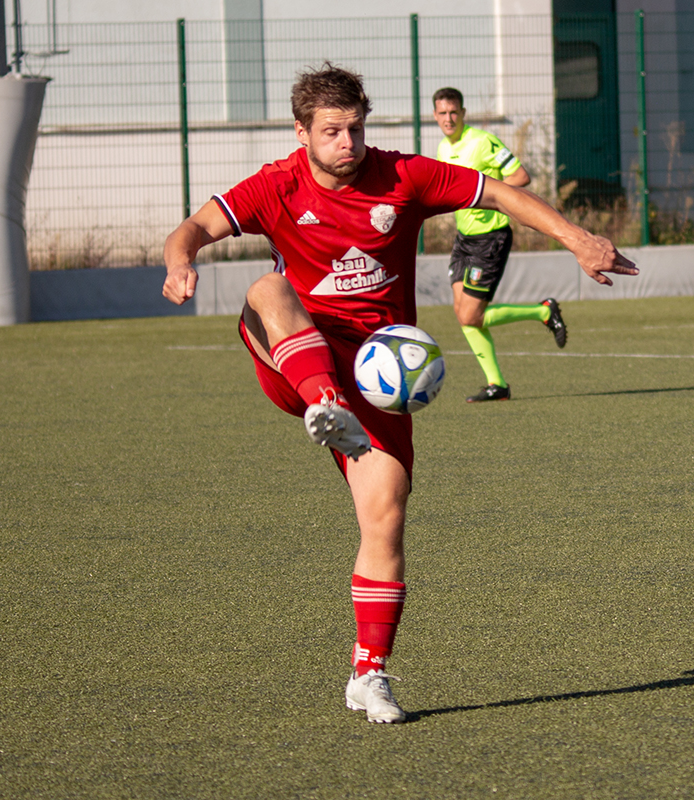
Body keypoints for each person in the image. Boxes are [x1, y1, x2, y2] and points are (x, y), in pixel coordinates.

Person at [162, 63, 637, 724]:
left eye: (356, 129)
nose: (348, 143)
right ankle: (325, 404)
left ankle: (369, 674)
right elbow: (190, 229)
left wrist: (578, 240)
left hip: (375, 378)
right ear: (302, 132)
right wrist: (180, 261)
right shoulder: (275, 185)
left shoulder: (403, 175)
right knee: (268, 288)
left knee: (385, 513)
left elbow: (499, 194)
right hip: (294, 356)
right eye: (332, 131)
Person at [432, 87, 566, 403]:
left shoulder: (482, 141)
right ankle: (497, 385)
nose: (449, 119)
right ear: (435, 116)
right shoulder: (442, 148)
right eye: (442, 113)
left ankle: (543, 311)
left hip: (490, 238)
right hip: (464, 239)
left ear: (463, 113)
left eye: (454, 112)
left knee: (470, 316)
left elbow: (520, 176)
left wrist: (489, 197)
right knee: (462, 313)